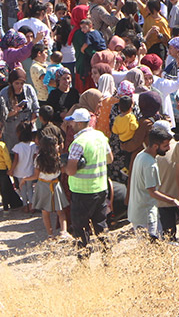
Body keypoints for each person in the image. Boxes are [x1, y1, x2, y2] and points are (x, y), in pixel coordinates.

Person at [63, 108, 112, 254]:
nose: (71, 124)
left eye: (72, 122)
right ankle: (108, 258)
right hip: (100, 189)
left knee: (81, 230)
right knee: (101, 226)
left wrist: (64, 167)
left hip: (82, 192)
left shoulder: (78, 143)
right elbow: (110, 159)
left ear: (78, 124)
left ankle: (83, 263)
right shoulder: (100, 136)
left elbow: (71, 171)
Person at [128, 126, 179, 239]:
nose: (168, 149)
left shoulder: (141, 155)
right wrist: (174, 201)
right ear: (156, 146)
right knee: (152, 249)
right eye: (165, 146)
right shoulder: (150, 164)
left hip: (137, 212)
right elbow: (152, 192)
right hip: (146, 214)